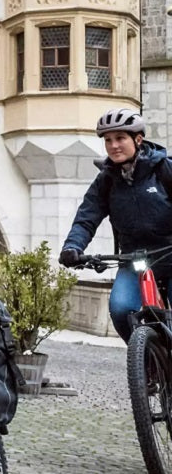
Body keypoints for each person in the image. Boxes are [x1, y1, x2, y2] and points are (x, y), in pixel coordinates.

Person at [60, 107, 172, 342]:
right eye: (108, 140)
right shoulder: (106, 181)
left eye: (120, 138)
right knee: (121, 309)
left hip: (169, 254)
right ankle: (146, 364)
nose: (113, 145)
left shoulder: (164, 169)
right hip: (132, 260)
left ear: (138, 139)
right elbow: (86, 218)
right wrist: (73, 247)